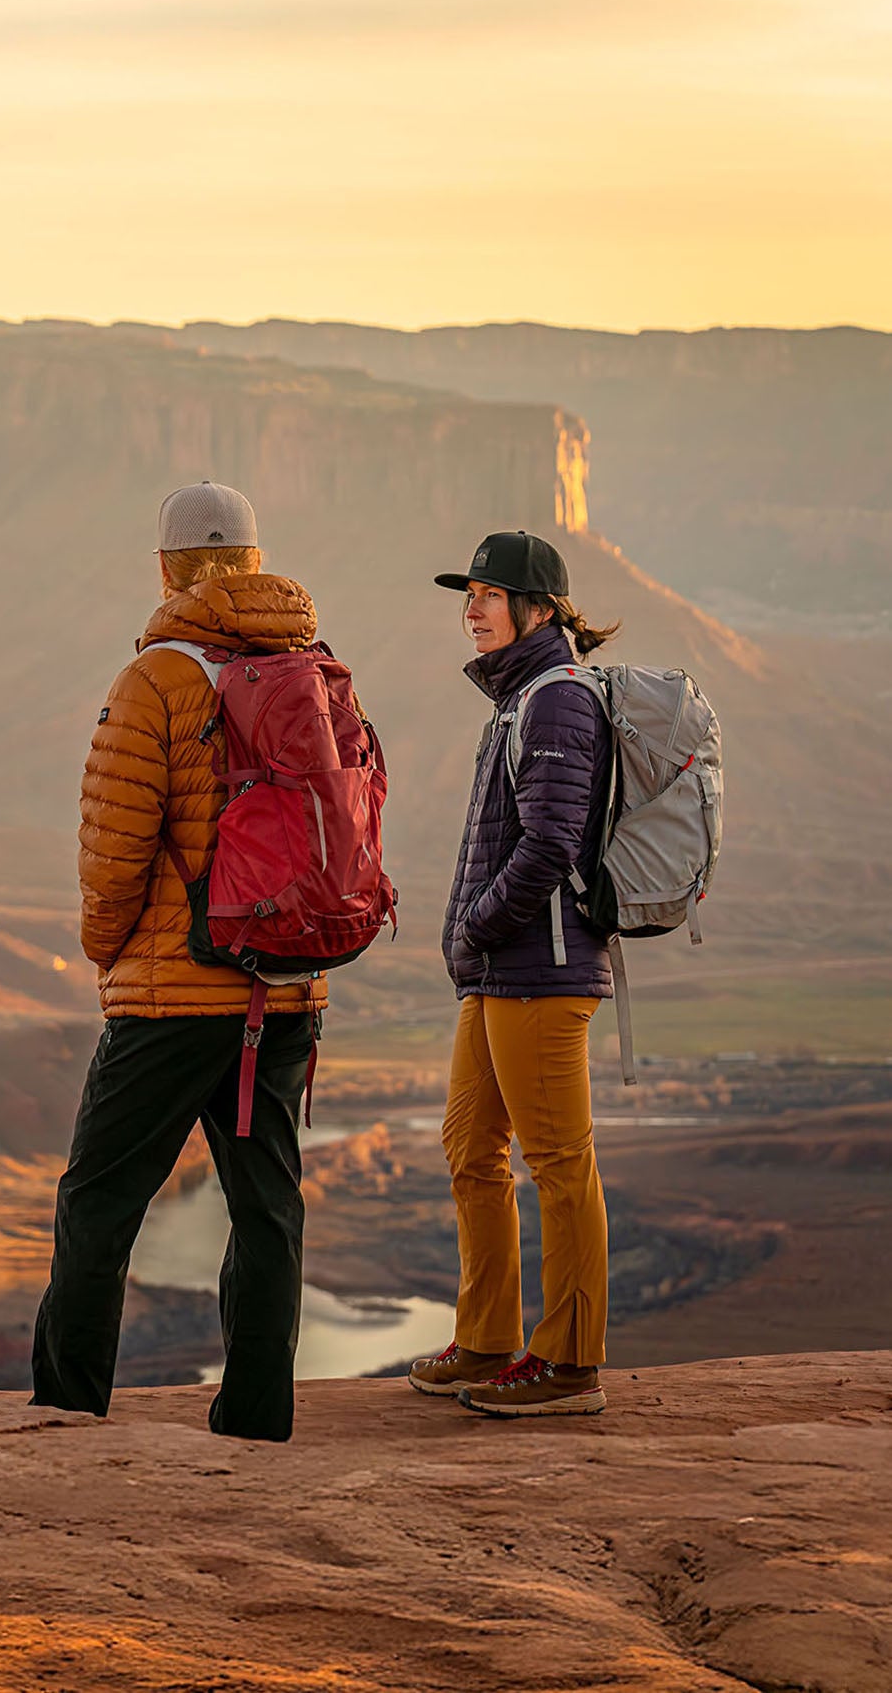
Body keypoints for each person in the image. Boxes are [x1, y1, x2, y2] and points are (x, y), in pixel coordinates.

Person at [30, 481, 327, 1440]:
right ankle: (255, 1418)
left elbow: (114, 847)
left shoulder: (157, 678)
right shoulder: (309, 666)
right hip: (280, 986)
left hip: (169, 995)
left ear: (166, 568)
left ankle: (67, 1411)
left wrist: (104, 948)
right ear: (251, 561)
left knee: (98, 1202)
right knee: (266, 1209)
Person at [409, 529, 619, 1418]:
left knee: (558, 1164)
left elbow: (549, 845)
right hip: (501, 969)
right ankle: (488, 1337)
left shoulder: (556, 701)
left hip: (542, 967)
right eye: (467, 596)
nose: (470, 608)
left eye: (486, 595)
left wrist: (479, 923)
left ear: (536, 608)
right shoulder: (518, 698)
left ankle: (568, 1364)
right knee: (469, 1148)